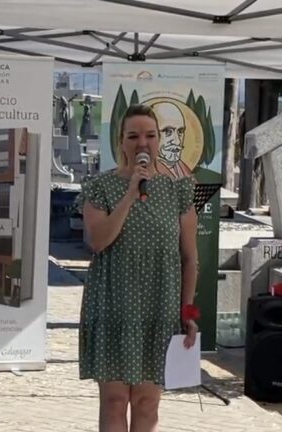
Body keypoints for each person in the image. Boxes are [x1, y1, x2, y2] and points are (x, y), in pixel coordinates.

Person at [76, 104, 200, 432]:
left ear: (158, 140)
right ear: (121, 142)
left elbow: (190, 258)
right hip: (113, 306)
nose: (142, 143)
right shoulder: (100, 187)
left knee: (147, 402)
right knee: (114, 400)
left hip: (159, 309)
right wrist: (131, 193)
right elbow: (97, 240)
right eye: (133, 136)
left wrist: (188, 312)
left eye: (150, 135)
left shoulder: (178, 190)